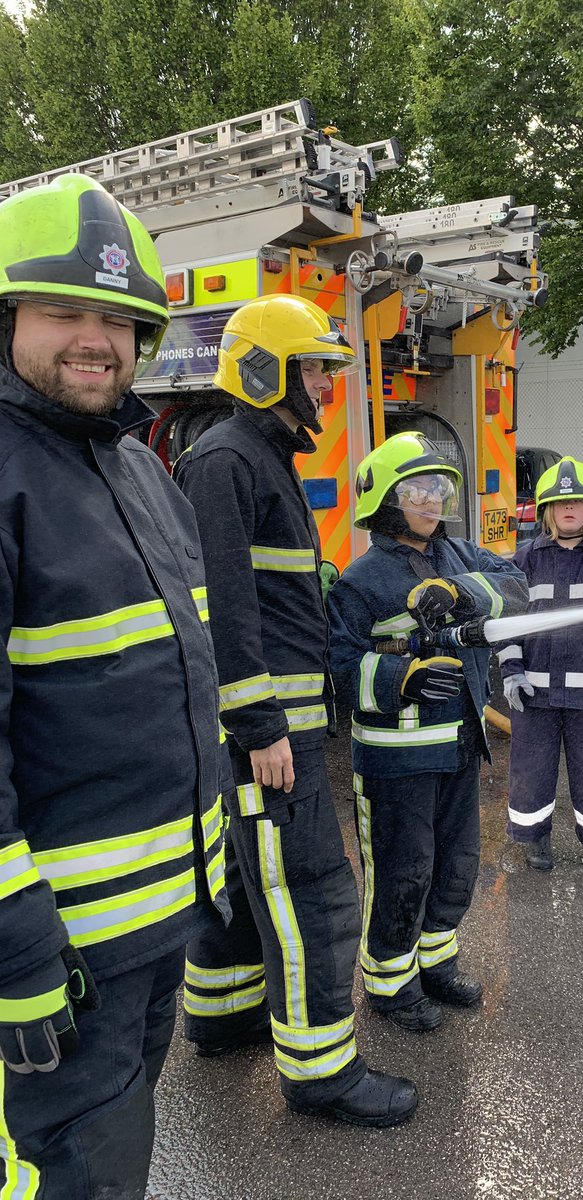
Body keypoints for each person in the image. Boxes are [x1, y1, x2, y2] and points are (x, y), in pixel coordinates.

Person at [0, 174, 229, 1199]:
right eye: (64, 311)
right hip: (56, 952)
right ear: (8, 317)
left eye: (120, 318)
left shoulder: (140, 471)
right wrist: (15, 952)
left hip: (153, 927)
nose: (97, 340)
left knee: (116, 1162)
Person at [175, 294, 417, 1128]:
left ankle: (223, 1015)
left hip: (276, 725)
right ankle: (322, 1074)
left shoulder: (256, 456)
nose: (324, 383)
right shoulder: (227, 461)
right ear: (265, 370)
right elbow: (221, 608)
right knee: (310, 890)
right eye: (312, 367)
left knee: (248, 880)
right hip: (269, 732)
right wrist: (261, 727)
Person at [328, 432, 528, 1033]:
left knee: (454, 866)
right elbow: (338, 669)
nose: (433, 500)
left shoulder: (460, 556)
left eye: (439, 488)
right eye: (418, 489)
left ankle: (436, 963)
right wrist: (401, 678)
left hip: (459, 749)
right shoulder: (361, 582)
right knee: (402, 872)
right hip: (396, 764)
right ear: (385, 500)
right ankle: (391, 982)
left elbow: (516, 588)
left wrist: (461, 592)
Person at [499, 457, 583, 872]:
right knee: (531, 770)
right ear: (546, 510)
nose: (569, 507)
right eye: (560, 502)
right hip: (533, 694)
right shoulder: (524, 561)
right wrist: (511, 671)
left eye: (577, 501)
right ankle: (534, 836)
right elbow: (506, 623)